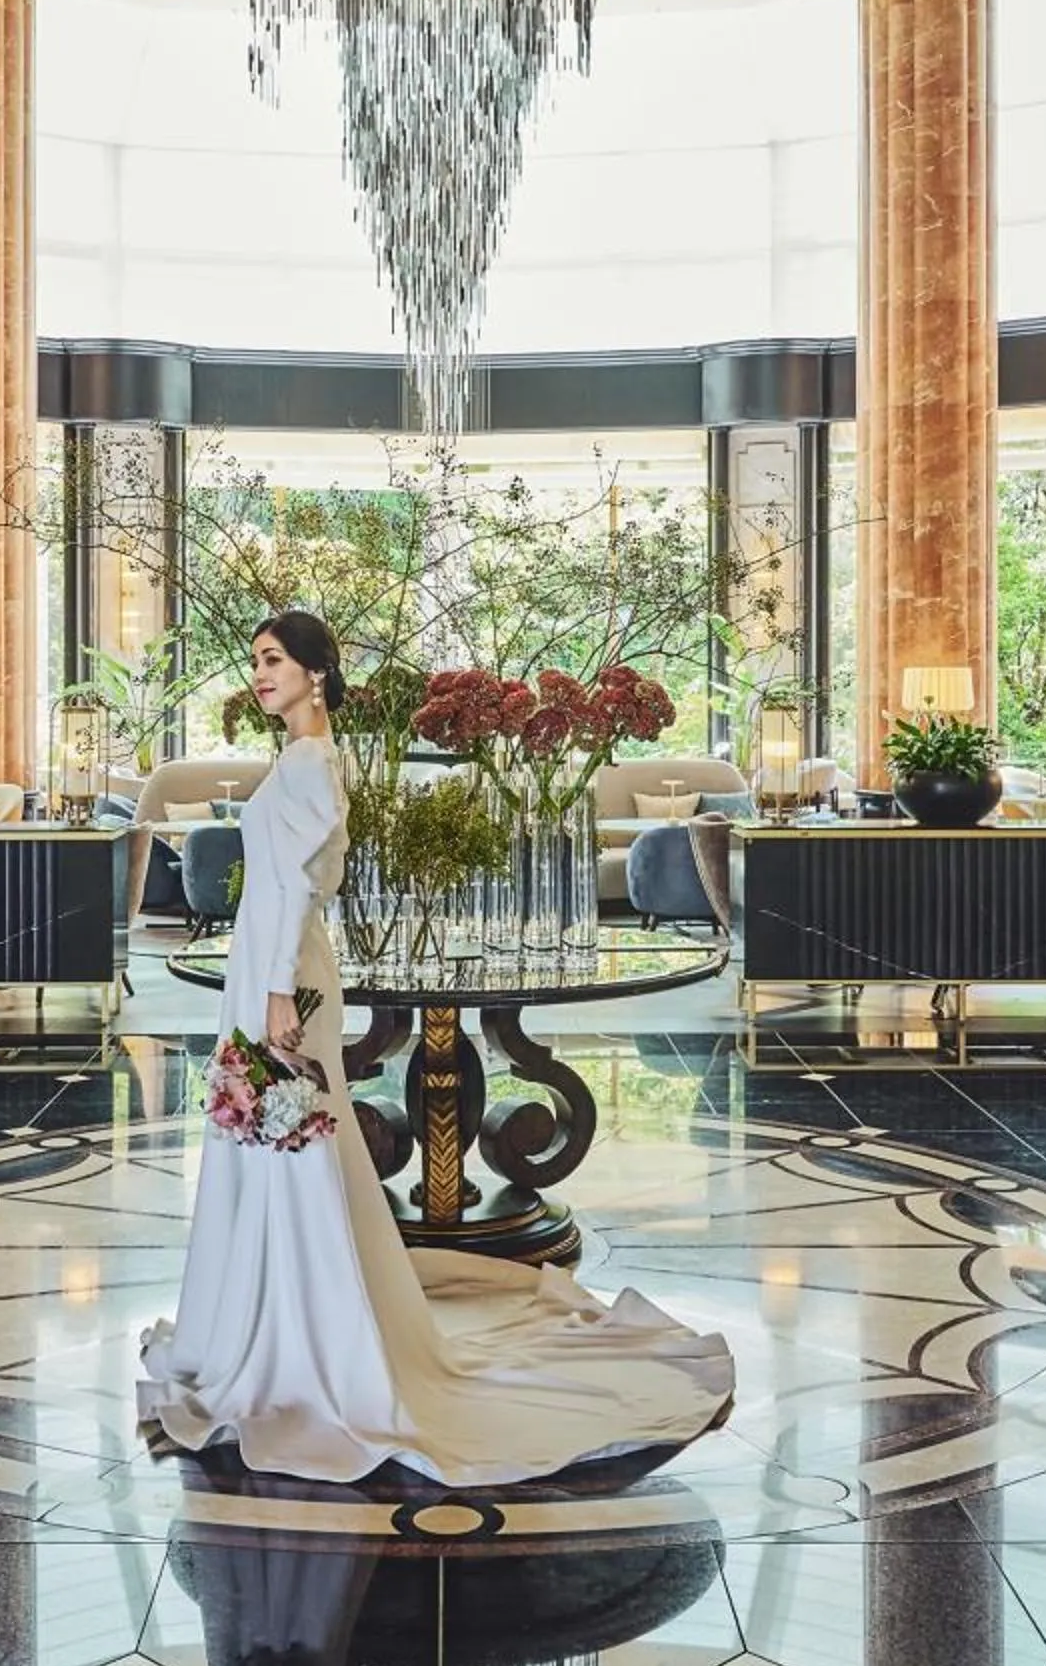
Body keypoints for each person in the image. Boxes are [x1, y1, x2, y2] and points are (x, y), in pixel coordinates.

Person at [138, 610, 735, 1485]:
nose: (259, 675)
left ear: (315, 671)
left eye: (274, 661)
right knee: (279, 1142)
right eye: (256, 660)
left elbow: (301, 889)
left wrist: (272, 992)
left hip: (278, 974)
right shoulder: (306, 758)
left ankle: (301, 1340)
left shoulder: (310, 764)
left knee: (293, 1143)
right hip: (267, 970)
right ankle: (267, 1323)